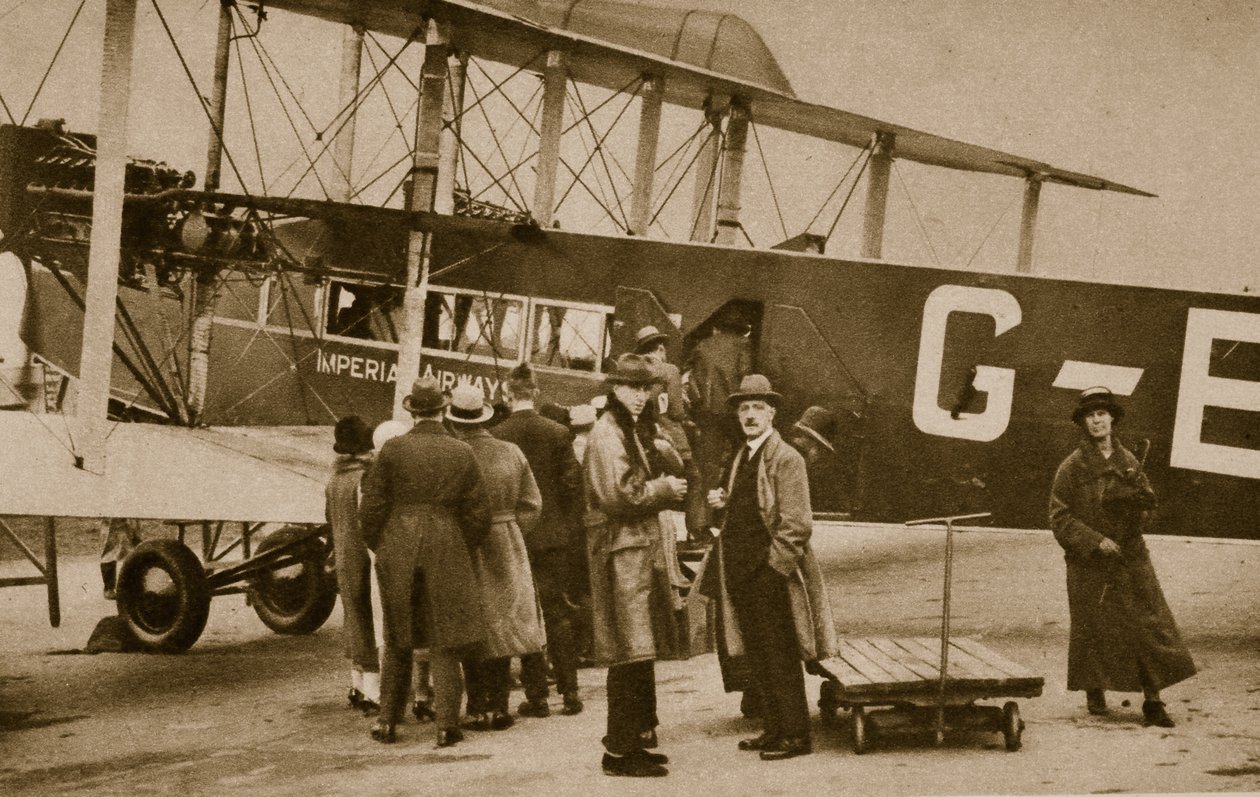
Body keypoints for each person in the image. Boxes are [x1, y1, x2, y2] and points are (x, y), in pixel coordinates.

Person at [699, 374, 837, 761]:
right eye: (744, 408)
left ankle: (795, 735)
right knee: (758, 656)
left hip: (769, 574)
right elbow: (746, 506)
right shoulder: (742, 454)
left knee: (780, 655)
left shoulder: (786, 458)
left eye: (757, 407)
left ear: (772, 413)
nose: (749, 415)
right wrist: (721, 503)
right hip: (740, 571)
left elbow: (797, 523)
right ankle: (773, 729)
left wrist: (774, 571)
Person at [1049, 386, 1196, 727]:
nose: (1097, 420)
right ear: (1083, 423)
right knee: (1093, 627)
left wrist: (1138, 509)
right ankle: (1094, 686)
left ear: (1112, 418)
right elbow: (1059, 516)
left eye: (1102, 413)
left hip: (1130, 557)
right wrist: (1095, 540)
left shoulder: (1130, 462)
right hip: (1091, 563)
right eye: (1090, 415)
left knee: (1146, 625)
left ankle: (1154, 699)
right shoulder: (1071, 468)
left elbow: (1149, 504)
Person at [360, 376, 491, 747]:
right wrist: (459, 545)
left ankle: (387, 722)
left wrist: (383, 546)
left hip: (398, 545)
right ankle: (447, 725)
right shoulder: (462, 452)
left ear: (413, 410)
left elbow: (371, 509)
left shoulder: (392, 451)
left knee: (397, 636)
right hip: (447, 545)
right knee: (446, 638)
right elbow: (479, 514)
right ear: (443, 409)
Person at [583, 353, 690, 777]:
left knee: (637, 652)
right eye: (632, 387)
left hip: (631, 551)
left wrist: (662, 458)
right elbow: (620, 497)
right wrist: (664, 488)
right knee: (628, 653)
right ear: (614, 388)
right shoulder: (608, 434)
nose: (641, 395)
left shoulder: (627, 429)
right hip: (621, 553)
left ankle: (633, 742)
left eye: (646, 388)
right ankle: (619, 752)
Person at [446, 383, 546, 732]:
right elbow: (533, 504)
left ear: (455, 420)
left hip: (467, 545)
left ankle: (476, 707)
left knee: (473, 623)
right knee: (506, 622)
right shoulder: (511, 452)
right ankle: (500, 707)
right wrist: (514, 530)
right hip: (507, 542)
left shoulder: (454, 454)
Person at [492, 363, 587, 718]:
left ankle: (537, 696)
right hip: (554, 538)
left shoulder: (498, 434)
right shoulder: (558, 433)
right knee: (557, 613)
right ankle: (571, 692)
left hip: (516, 537)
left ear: (507, 393)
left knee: (523, 615)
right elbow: (572, 486)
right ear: (537, 392)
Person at [326, 416, 380, 715]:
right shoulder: (365, 478)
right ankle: (373, 691)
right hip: (364, 556)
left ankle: (357, 683)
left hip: (344, 555)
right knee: (370, 619)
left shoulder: (334, 479)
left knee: (353, 617)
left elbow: (328, 519)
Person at [635, 325, 707, 539]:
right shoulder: (669, 371)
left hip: (645, 437)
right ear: (659, 348)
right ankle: (696, 531)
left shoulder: (638, 370)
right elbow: (676, 411)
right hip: (671, 437)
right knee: (694, 479)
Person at [685, 306, 752, 528]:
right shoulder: (743, 346)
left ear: (720, 327)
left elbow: (691, 380)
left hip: (707, 414)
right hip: (732, 413)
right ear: (740, 330)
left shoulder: (703, 345)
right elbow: (744, 378)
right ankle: (728, 520)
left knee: (706, 469)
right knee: (741, 461)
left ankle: (699, 525)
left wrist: (698, 405)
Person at [98, 517, 141, 601]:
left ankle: (132, 586)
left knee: (134, 546)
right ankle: (109, 588)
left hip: (130, 516)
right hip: (113, 518)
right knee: (109, 549)